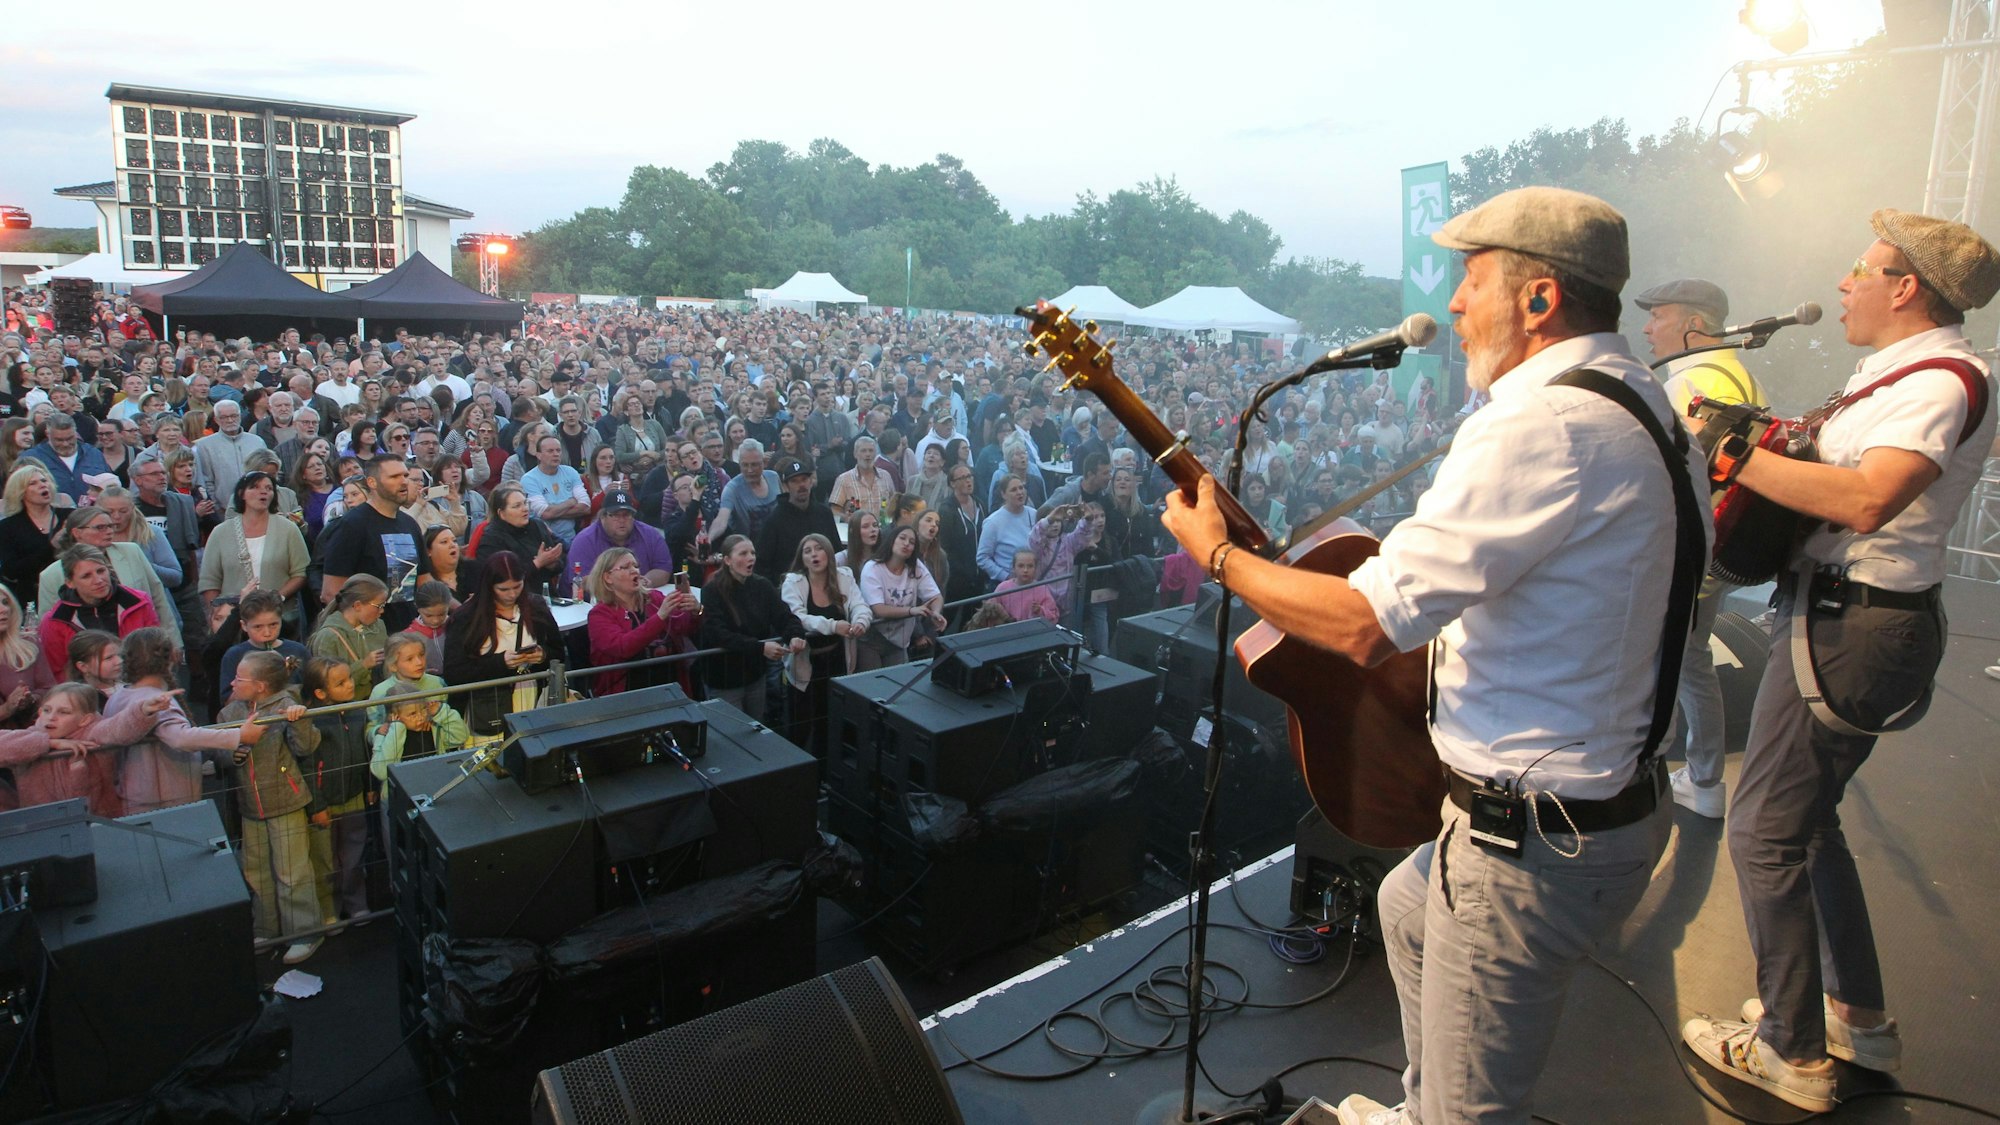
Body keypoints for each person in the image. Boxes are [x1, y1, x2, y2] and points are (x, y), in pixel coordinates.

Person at [1161, 187, 1703, 1125]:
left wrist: (1220, 558)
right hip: (1610, 808)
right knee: (1408, 909)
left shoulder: (1541, 425)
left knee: (1471, 1111)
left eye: (1472, 279)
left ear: (1539, 299)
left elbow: (1365, 624)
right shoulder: (1646, 402)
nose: (1453, 303)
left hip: (1530, 845)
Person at [1681, 211, 2000, 1112]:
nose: (1845, 282)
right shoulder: (1898, 373)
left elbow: (1866, 499)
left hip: (1853, 623)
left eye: (1863, 268)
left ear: (1906, 287)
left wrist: (1734, 456)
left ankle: (1790, 1050)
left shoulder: (1940, 381)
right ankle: (1855, 1016)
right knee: (1808, 823)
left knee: (1763, 832)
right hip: (1838, 613)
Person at [1631, 277, 1770, 820]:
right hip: (1719, 549)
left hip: (1685, 554)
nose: (1648, 328)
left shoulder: (1692, 383)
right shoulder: (1739, 375)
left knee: (1663, 666)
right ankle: (1704, 777)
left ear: (1693, 324)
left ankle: (1666, 778)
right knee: (1691, 662)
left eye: (1658, 316)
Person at [219, 649, 323, 964]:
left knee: (293, 873)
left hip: (285, 801)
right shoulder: (229, 712)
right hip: (249, 805)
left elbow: (306, 747)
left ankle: (305, 932)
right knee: (256, 872)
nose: (232, 683)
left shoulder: (287, 706)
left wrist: (300, 721)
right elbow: (220, 754)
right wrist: (239, 747)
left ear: (260, 686)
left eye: (239, 678)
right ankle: (266, 929)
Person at [108, 626, 260, 815]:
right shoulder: (156, 702)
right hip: (165, 805)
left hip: (137, 797)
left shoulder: (119, 696)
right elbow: (180, 738)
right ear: (172, 656)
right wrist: (238, 735)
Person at [0, 682, 172, 815]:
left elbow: (118, 728)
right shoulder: (29, 737)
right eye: (46, 710)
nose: (51, 717)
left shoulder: (92, 732)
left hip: (97, 821)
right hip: (44, 825)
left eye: (63, 712)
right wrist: (49, 743)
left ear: (85, 720)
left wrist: (143, 711)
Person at [443, 550, 560, 739]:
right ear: (489, 586)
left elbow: (558, 653)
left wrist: (542, 655)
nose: (512, 594)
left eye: (517, 586)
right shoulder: (466, 617)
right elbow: (453, 673)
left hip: (532, 704)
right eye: (503, 589)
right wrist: (500, 663)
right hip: (484, 711)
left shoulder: (536, 608)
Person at [780, 532, 870, 759]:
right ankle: (795, 767)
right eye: (807, 551)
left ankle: (825, 769)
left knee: (830, 720)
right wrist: (833, 626)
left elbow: (860, 605)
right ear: (802, 558)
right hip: (806, 660)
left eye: (818, 548)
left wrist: (860, 621)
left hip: (836, 657)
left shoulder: (844, 577)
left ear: (829, 552)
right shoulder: (793, 582)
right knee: (800, 724)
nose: (814, 555)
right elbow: (797, 618)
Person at [697, 535, 805, 720]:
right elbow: (718, 634)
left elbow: (784, 616)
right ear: (727, 560)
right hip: (725, 678)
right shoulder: (712, 590)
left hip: (755, 675)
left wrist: (795, 635)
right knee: (732, 730)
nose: (751, 558)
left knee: (756, 726)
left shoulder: (762, 586)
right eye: (743, 553)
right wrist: (760, 648)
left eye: (753, 553)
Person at [38, 506, 178, 642]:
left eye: (111, 526)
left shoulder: (131, 551)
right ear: (77, 532)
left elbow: (158, 597)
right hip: (86, 648)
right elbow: (50, 627)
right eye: (100, 527)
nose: (110, 531)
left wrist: (173, 641)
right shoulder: (51, 574)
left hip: (141, 642)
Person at [200, 471, 311, 630]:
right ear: (241, 494)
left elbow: (300, 573)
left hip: (281, 620)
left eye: (269, 488)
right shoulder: (220, 532)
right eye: (255, 487)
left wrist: (278, 597)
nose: (263, 491)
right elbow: (209, 580)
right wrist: (217, 614)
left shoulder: (288, 529)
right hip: (234, 622)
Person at [584, 547, 700, 697]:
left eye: (636, 566)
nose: (635, 571)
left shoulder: (654, 598)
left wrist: (696, 611)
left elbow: (682, 627)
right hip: (626, 694)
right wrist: (659, 617)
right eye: (626, 567)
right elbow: (622, 648)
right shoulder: (599, 614)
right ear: (608, 577)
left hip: (670, 687)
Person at [38, 545, 164, 679]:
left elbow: (156, 651)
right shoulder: (56, 621)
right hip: (86, 689)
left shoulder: (138, 602)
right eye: (86, 576)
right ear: (70, 583)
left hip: (140, 683)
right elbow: (57, 672)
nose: (98, 580)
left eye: (101, 571)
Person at [318, 455, 424, 608]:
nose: (403, 481)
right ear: (372, 483)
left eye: (405, 475)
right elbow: (331, 592)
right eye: (394, 477)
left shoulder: (410, 524)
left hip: (409, 620)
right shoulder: (351, 525)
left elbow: (424, 581)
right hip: (369, 621)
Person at [858, 523, 946, 669]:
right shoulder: (873, 567)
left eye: (912, 542)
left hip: (900, 641)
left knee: (899, 679)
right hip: (872, 638)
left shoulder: (916, 566)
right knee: (872, 680)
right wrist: (911, 611)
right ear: (892, 540)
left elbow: (936, 596)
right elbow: (878, 609)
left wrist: (936, 612)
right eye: (902, 538)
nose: (906, 544)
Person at [755, 457, 841, 584]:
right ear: (785, 486)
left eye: (804, 479)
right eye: (794, 481)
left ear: (811, 482)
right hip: (788, 587)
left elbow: (837, 552)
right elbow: (762, 564)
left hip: (825, 584)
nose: (801, 485)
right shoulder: (774, 520)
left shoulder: (824, 514)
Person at [471, 484, 566, 599]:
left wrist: (552, 563)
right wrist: (537, 563)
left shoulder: (537, 526)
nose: (525, 509)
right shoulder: (492, 538)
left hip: (545, 595)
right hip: (512, 599)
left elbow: (559, 565)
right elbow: (497, 578)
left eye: (525, 503)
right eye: (517, 506)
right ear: (502, 513)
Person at [569, 488, 674, 589]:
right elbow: (581, 580)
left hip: (639, 595)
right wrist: (624, 587)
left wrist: (643, 582)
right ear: (602, 516)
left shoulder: (650, 535)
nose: (622, 520)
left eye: (627, 515)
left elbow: (663, 569)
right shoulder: (584, 540)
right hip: (592, 600)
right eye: (615, 515)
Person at [0, 463, 70, 609]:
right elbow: (10, 571)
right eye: (33, 483)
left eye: (44, 480)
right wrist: (52, 546)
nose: (42, 485)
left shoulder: (69, 516)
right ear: (20, 492)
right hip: (31, 597)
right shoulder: (8, 527)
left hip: (71, 590)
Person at [311, 575, 389, 700]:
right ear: (357, 606)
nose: (382, 611)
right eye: (379, 606)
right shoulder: (328, 636)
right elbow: (328, 684)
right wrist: (364, 665)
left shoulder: (379, 626)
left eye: (384, 605)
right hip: (349, 706)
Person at [219, 589, 309, 692]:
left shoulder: (299, 651)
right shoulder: (234, 655)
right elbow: (228, 700)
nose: (267, 633)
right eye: (258, 627)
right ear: (244, 625)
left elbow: (311, 691)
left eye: (273, 624)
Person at [22, 411, 111, 502]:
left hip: (92, 510)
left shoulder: (93, 454)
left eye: (70, 438)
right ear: (47, 434)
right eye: (59, 440)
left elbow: (110, 487)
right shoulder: (31, 458)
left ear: (76, 433)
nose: (65, 444)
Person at [0, 588, 54, 732]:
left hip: (33, 732)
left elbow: (49, 689)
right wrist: (6, 709)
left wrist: (32, 699)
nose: (4, 609)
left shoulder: (29, 645)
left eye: (5, 602)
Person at [193, 399, 269, 503]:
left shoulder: (257, 441)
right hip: (223, 507)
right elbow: (206, 480)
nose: (230, 420)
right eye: (224, 417)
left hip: (258, 503)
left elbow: (266, 473)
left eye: (234, 416)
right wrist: (216, 506)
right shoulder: (205, 445)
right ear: (216, 420)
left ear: (240, 416)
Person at [977, 474, 1036, 587]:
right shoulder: (993, 522)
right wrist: (1006, 576)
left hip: (1032, 582)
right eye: (1014, 490)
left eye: (1021, 488)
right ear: (1003, 494)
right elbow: (982, 558)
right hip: (1006, 584)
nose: (1019, 492)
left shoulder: (1034, 514)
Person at [991, 548, 1060, 623]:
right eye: (1021, 566)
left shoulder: (1042, 590)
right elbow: (990, 609)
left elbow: (1053, 617)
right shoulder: (1003, 588)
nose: (1025, 570)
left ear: (1035, 568)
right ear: (1014, 568)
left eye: (1030, 566)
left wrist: (1040, 611)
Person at [417, 524, 481, 604]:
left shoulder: (475, 568)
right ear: (428, 551)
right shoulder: (424, 579)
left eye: (454, 541)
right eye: (444, 542)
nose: (452, 545)